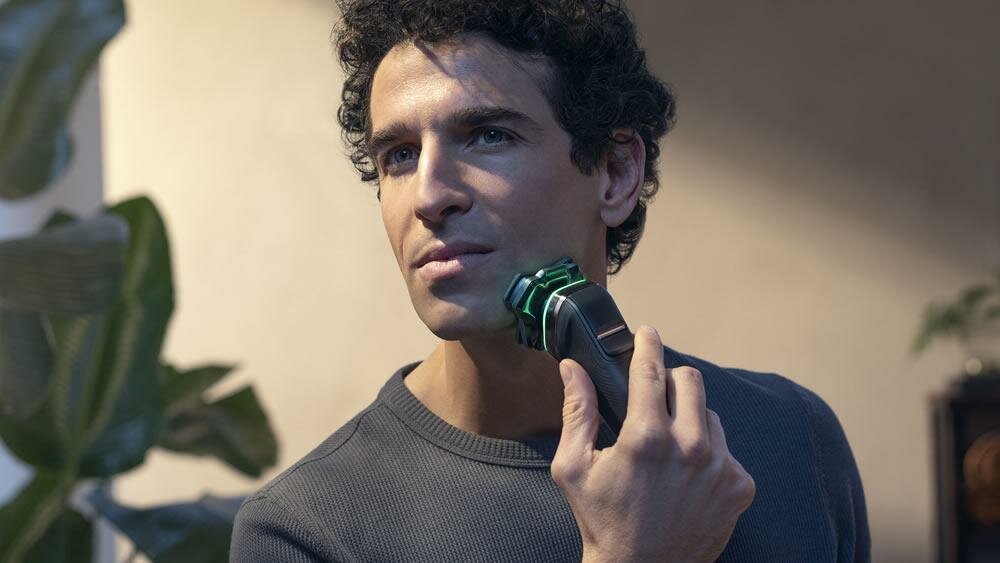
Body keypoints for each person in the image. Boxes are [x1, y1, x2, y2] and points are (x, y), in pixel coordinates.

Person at [230, 1, 871, 561]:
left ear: (615, 172)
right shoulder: (303, 531)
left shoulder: (791, 438)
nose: (428, 196)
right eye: (399, 155)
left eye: (487, 136)